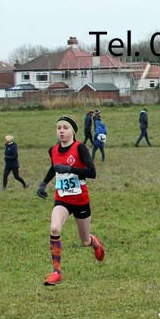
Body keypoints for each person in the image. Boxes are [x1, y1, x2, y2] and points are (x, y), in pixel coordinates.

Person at [35, 116, 105, 286]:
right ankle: (57, 272)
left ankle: (94, 242)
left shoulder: (80, 148)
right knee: (54, 228)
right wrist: (43, 184)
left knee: (84, 241)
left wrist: (70, 169)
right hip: (62, 200)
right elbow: (54, 168)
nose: (61, 131)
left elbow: (92, 172)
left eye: (65, 127)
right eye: (59, 127)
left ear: (72, 131)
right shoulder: (52, 150)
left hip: (80, 200)